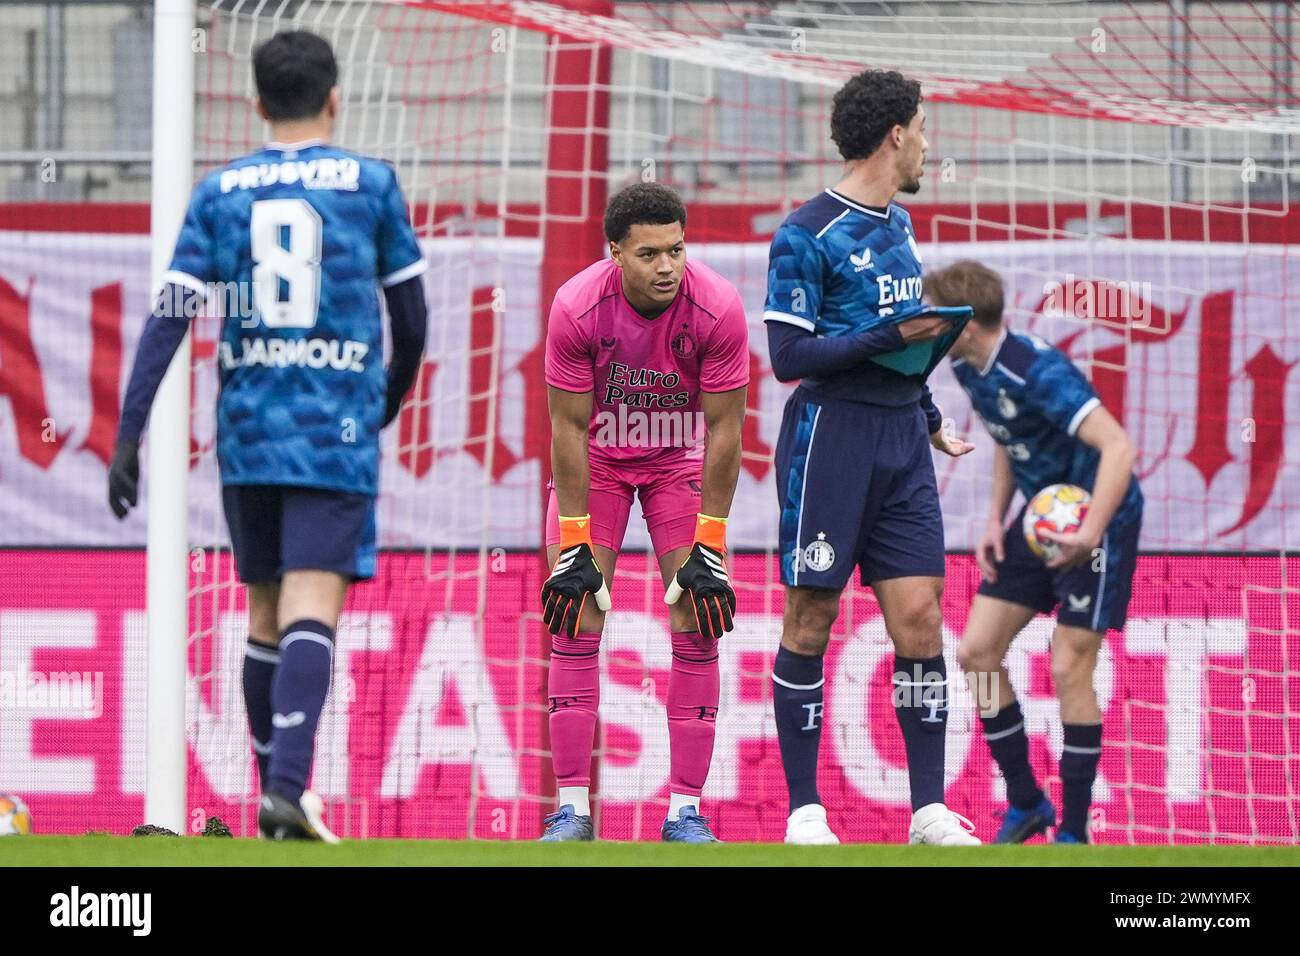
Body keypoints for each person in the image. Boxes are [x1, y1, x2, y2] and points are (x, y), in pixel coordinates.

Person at [108, 31, 428, 841]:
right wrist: (388, 395)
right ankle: (286, 790)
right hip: (335, 428)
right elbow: (413, 318)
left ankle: (274, 795)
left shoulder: (222, 191)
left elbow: (170, 317)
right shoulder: (370, 183)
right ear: (334, 98)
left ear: (255, 102)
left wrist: (129, 431)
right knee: (311, 607)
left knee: (261, 612)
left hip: (248, 431)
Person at [765, 69, 978, 846]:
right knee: (812, 614)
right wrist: (894, 339)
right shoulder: (806, 233)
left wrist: (926, 414)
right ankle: (803, 813)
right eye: (923, 127)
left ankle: (926, 811)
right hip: (832, 439)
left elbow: (899, 335)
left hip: (900, 439)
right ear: (896, 134)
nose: (927, 143)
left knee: (920, 618)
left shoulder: (899, 228)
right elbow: (789, 356)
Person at [538, 182, 749, 843]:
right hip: (597, 461)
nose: (667, 267)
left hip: (675, 464)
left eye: (677, 250)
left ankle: (684, 813)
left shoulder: (717, 308)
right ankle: (572, 811)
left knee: (699, 617)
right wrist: (574, 542)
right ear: (616, 254)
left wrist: (709, 545)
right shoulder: (576, 307)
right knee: (573, 614)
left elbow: (726, 431)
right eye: (650, 253)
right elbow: (566, 429)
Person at [928, 258, 1143, 844]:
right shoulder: (969, 365)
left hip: (1100, 520)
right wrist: (996, 519)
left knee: (1070, 666)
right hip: (1040, 519)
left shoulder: (1039, 372)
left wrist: (1092, 530)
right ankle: (1026, 803)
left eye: (937, 318)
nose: (928, 326)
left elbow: (1118, 449)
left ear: (964, 324)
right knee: (976, 652)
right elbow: (1007, 436)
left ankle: (1074, 833)